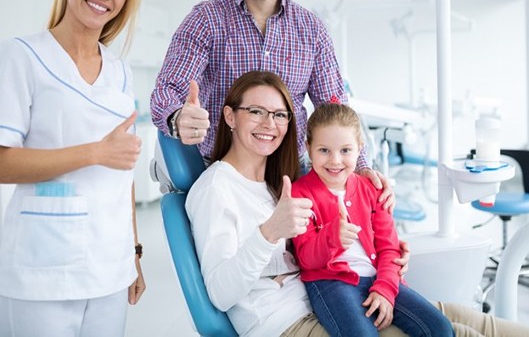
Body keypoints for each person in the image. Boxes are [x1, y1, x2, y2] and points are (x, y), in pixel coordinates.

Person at [186, 70, 529, 337]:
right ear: (230, 117)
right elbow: (219, 294)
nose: (270, 124)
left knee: (472, 323)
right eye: (256, 111)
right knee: (460, 333)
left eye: (280, 114)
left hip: (348, 293)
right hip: (291, 320)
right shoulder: (216, 188)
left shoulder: (276, 181)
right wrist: (269, 232)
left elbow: (352, 208)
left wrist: (385, 255)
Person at [150, 0, 389, 194]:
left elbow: (335, 108)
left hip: (292, 175)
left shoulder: (312, 29)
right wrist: (178, 118)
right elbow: (166, 92)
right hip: (223, 176)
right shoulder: (205, 19)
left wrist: (362, 167)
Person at [0, 0, 145, 337]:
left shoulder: (119, 71)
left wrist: (133, 253)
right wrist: (96, 151)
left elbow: (124, 168)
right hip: (41, 268)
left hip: (110, 264)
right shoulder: (21, 56)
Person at [291, 103, 454, 336]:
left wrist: (385, 289)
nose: (335, 160)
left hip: (377, 276)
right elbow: (306, 259)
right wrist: (332, 236)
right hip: (331, 283)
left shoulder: (373, 189)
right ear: (308, 148)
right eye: (324, 150)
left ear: (360, 149)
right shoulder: (300, 193)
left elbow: (389, 248)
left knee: (440, 328)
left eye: (345, 150)